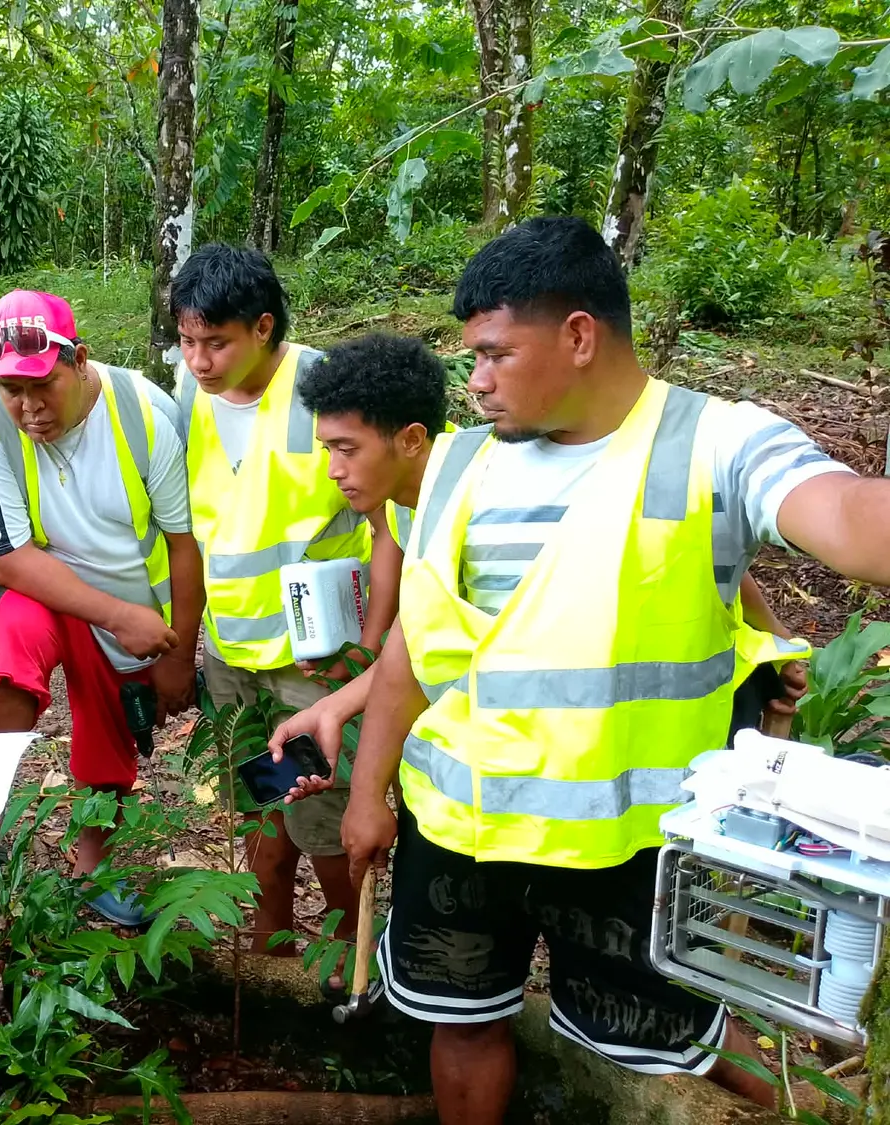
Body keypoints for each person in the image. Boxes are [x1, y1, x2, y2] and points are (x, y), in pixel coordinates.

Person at [289, 217, 890, 1124]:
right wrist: (371, 789)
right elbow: (418, 649)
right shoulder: (455, 465)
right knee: (461, 1026)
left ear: (578, 335)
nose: (477, 381)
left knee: (648, 1056)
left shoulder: (714, 443)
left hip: (628, 845)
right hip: (464, 828)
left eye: (494, 354)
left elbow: (846, 517)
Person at [271, 332, 807, 764]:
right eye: (328, 450)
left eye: (346, 450)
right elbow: (416, 636)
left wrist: (776, 639)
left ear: (411, 439)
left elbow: (695, 547)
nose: (333, 470)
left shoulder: (488, 484)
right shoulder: (398, 503)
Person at [0, 290, 203, 924]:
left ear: (81, 361)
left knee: (112, 733)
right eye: (11, 390)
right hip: (43, 587)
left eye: (42, 387)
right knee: (1, 667)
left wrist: (179, 648)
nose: (28, 409)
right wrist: (115, 616)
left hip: (133, 607)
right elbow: (4, 557)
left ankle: (97, 868)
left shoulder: (145, 413)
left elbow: (182, 542)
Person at [170, 244, 384, 979]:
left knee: (325, 823)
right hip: (234, 654)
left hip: (316, 661)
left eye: (217, 341)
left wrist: (375, 635)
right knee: (263, 809)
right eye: (188, 340)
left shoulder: (326, 388)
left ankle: (351, 974)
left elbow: (392, 517)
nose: (199, 360)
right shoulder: (188, 396)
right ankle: (271, 963)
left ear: (264, 327)